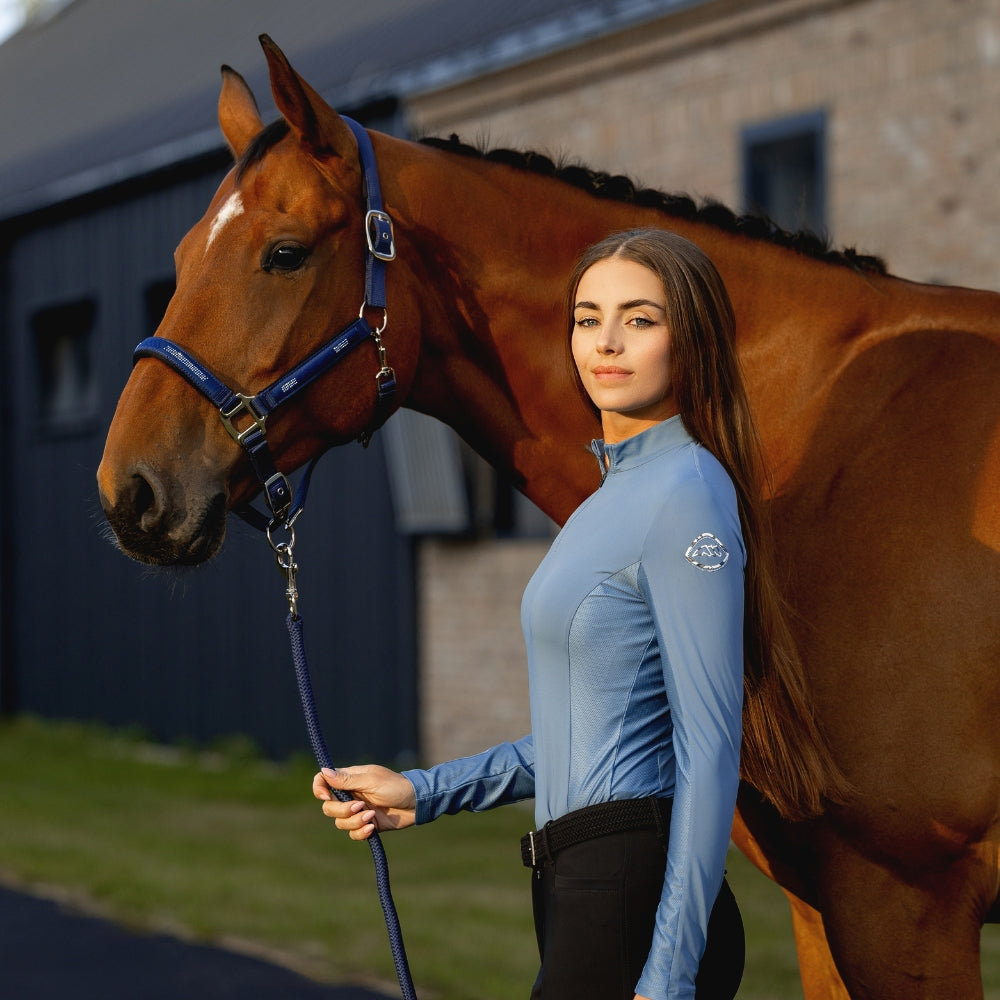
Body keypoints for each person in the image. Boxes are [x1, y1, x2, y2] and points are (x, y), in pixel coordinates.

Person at [313, 229, 849, 1000]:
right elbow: (585, 736)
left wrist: (669, 972)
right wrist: (424, 792)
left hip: (630, 900)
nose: (606, 342)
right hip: (579, 887)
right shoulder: (609, 500)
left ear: (689, 339)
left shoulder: (687, 493)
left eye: (639, 319)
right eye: (587, 317)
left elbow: (710, 746)